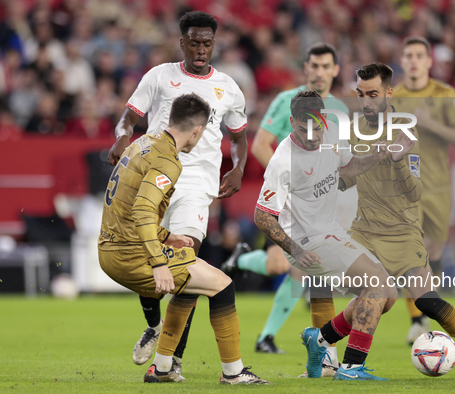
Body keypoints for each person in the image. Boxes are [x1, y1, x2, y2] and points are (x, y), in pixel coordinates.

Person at [340, 62, 455, 378]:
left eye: (372, 94)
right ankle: (350, 367)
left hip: (403, 232)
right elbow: (343, 180)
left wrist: (396, 162)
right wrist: (366, 160)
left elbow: (414, 192)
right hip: (364, 231)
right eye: (360, 94)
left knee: (428, 302)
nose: (365, 101)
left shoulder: (407, 131)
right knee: (377, 293)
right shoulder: (353, 131)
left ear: (389, 93)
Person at [107, 11, 248, 372]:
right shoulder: (159, 76)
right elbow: (130, 115)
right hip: (157, 170)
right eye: (195, 42)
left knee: (185, 262)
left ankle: (170, 361)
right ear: (182, 42)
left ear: (213, 44)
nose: (201, 50)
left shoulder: (228, 87)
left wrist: (239, 167)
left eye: (207, 43)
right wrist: (123, 135)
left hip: (197, 182)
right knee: (148, 250)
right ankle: (154, 325)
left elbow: (239, 136)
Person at [99, 93, 267, 384]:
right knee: (223, 286)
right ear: (197, 131)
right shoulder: (168, 160)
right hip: (130, 255)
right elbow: (142, 210)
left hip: (110, 249)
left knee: (191, 282)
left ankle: (163, 368)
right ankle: (234, 373)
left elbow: (126, 207)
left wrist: (168, 236)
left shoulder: (141, 143)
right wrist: (158, 263)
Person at [254, 90, 399, 380]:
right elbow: (262, 215)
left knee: (389, 295)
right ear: (292, 122)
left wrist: (378, 154)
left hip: (331, 232)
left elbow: (351, 167)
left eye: (317, 126)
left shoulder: (333, 134)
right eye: (302, 127)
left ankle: (319, 339)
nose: (311, 135)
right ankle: (351, 367)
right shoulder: (283, 161)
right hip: (307, 241)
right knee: (376, 286)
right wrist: (295, 250)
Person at [221, 42, 349, 367]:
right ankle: (244, 262)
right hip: (290, 201)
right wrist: (293, 184)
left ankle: (267, 335)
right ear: (306, 68)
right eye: (314, 66)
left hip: (323, 204)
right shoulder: (286, 102)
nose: (319, 72)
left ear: (335, 70)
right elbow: (263, 144)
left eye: (326, 66)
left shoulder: (341, 109)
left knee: (299, 272)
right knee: (288, 266)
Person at [391, 36, 455, 345]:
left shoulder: (444, 94)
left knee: (434, 251)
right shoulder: (393, 97)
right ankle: (417, 319)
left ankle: (425, 312)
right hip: (405, 187)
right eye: (408, 55)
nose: (412, 60)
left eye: (418, 56)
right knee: (414, 253)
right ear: (403, 59)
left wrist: (427, 122)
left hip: (438, 187)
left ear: (428, 61)